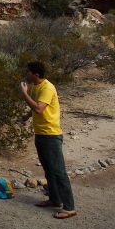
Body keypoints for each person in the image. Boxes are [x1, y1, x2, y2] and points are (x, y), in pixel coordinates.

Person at [20, 61, 77, 219]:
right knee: (49, 170)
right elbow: (36, 107)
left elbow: (39, 108)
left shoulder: (47, 87)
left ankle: (69, 207)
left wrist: (24, 93)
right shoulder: (36, 87)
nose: (27, 74)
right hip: (41, 134)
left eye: (29, 72)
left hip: (51, 135)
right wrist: (26, 116)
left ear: (36, 74)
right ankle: (55, 199)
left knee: (59, 172)